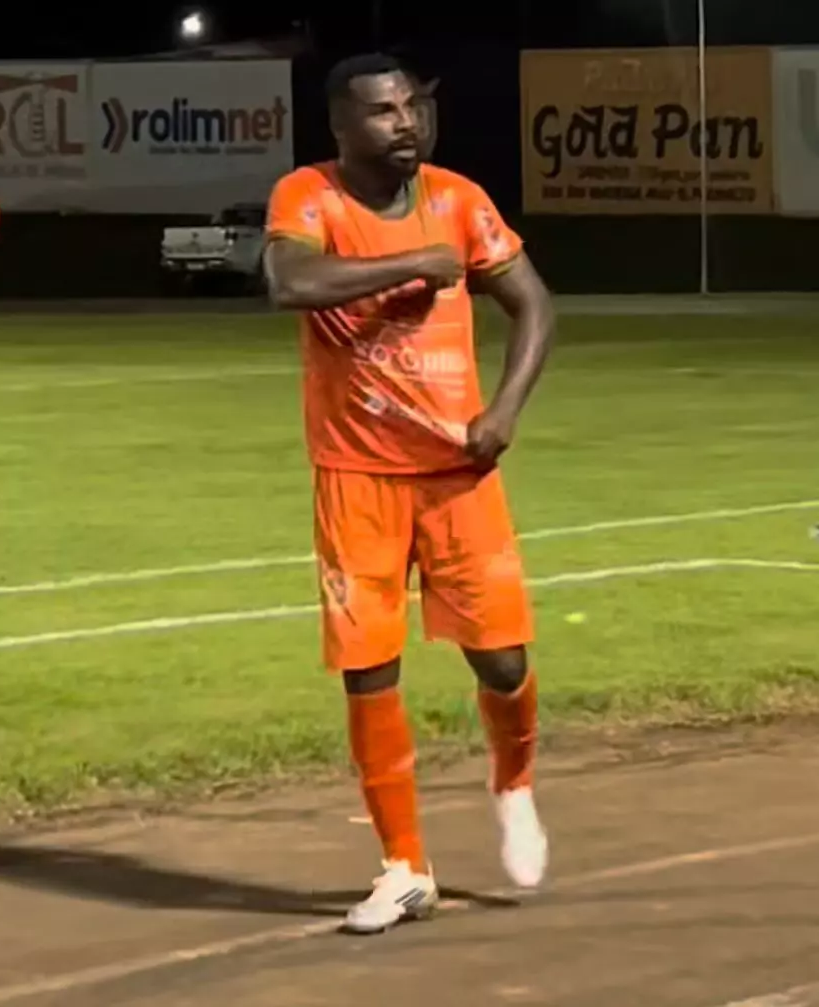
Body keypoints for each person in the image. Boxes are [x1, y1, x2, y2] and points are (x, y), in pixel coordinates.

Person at [264, 53, 556, 934]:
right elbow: (289, 282)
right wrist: (412, 265)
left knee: (500, 660)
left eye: (412, 107)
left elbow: (534, 304)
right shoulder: (308, 196)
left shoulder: (459, 200)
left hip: (457, 472)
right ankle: (403, 865)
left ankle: (513, 784)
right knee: (367, 667)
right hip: (356, 475)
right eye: (383, 111)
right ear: (340, 127)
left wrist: (503, 410)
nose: (406, 123)